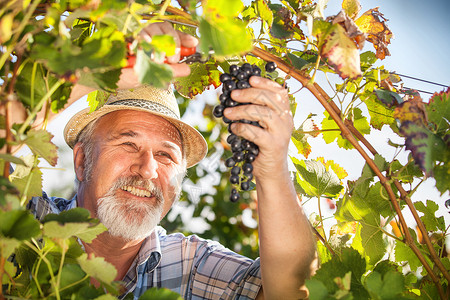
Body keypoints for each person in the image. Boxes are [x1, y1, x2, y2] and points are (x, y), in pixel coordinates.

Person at [20, 22, 317, 299]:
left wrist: (273, 170)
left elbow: (292, 291)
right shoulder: (25, 223)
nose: (148, 169)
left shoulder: (192, 265)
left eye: (165, 155)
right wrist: (93, 73)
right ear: (82, 160)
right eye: (128, 144)